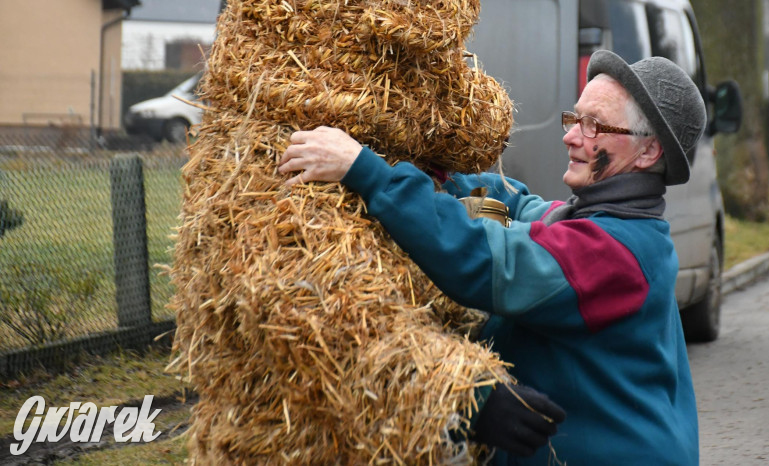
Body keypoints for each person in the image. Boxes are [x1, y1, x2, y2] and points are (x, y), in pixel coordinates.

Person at [278, 49, 706, 464]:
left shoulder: (615, 254)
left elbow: (483, 259)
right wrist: (447, 178)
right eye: (575, 118)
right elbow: (514, 210)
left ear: (648, 152)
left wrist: (366, 171)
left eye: (594, 126)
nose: (570, 134)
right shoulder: (591, 223)